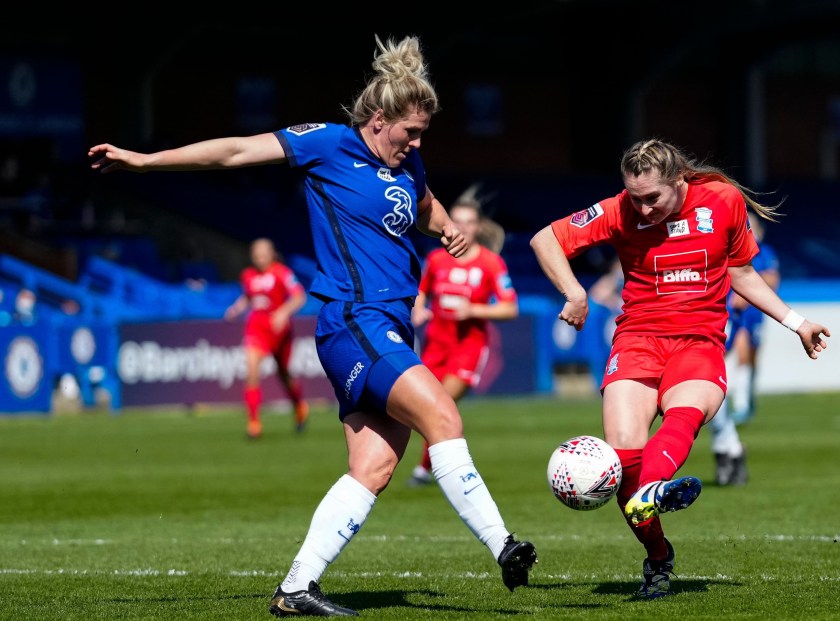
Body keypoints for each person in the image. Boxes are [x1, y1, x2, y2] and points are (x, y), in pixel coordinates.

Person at [89, 34, 537, 617]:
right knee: (443, 417)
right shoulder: (327, 145)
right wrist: (146, 162)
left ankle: (295, 589)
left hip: (387, 321)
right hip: (355, 317)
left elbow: (424, 205)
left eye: (423, 133)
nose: (418, 142)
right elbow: (234, 153)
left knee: (373, 468)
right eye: (411, 131)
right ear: (379, 120)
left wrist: (448, 227)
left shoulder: (408, 162)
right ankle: (502, 545)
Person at [529, 138, 830, 599]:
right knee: (624, 461)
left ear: (680, 181)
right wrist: (575, 292)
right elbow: (545, 238)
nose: (644, 209)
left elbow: (742, 273)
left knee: (686, 413)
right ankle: (658, 555)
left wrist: (797, 323)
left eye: (653, 198)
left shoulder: (722, 201)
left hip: (699, 341)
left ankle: (652, 490)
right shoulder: (618, 210)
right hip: (637, 341)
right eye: (636, 198)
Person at [405, 185, 519, 487]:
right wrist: (418, 310)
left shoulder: (491, 263)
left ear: (478, 226)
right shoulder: (437, 260)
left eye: (468, 222)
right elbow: (421, 291)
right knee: (427, 408)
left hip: (469, 346)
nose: (463, 228)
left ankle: (424, 469)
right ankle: (447, 467)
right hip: (435, 343)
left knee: (439, 403)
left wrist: (475, 310)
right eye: (457, 221)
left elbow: (509, 308)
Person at [224, 237, 309, 439]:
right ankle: (254, 423)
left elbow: (299, 297)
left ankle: (299, 407)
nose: (259, 257)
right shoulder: (248, 275)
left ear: (272, 254)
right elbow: (248, 296)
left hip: (279, 330)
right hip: (256, 327)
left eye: (263, 253)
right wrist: (236, 308)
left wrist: (283, 312)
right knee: (252, 370)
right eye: (256, 253)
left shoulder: (283, 272)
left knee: (284, 374)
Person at [726, 211, 780, 424]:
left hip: (754, 312)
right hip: (732, 312)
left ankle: (746, 399)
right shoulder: (729, 251)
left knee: (751, 358)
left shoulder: (764, 253)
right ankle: (740, 406)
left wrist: (748, 292)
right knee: (738, 352)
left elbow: (772, 279)